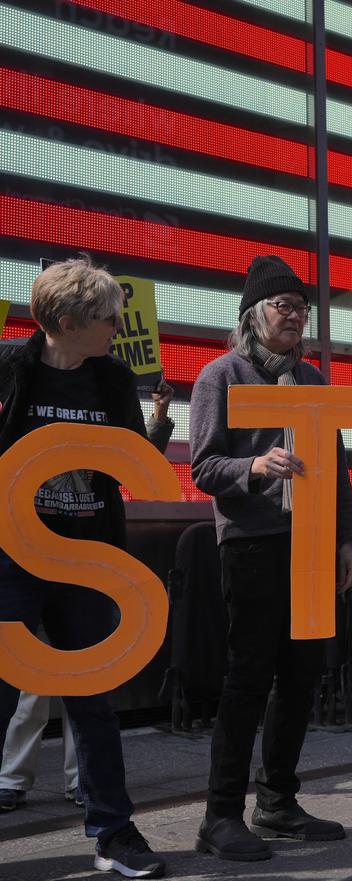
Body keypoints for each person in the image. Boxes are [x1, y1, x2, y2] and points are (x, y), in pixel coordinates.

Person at [189, 255, 352, 860]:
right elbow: (204, 468)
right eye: (283, 306)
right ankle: (219, 815)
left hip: (313, 545)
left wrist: (347, 539)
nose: (294, 317)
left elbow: (337, 469)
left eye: (301, 309)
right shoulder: (222, 376)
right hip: (253, 544)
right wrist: (255, 468)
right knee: (247, 678)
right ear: (252, 314)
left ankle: (278, 803)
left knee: (300, 679)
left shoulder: (313, 381)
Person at [0, 256, 165, 877]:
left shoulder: (113, 378)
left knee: (93, 695)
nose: (116, 329)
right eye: (107, 319)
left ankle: (114, 834)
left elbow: (128, 464)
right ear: (67, 321)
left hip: (87, 556)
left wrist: (153, 432)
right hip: (14, 552)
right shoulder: (10, 367)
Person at [0, 381, 174, 813]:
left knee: (84, 681)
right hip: (31, 553)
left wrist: (158, 418)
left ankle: (73, 781)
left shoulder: (105, 391)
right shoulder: (24, 392)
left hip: (84, 557)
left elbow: (134, 459)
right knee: (33, 681)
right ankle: (15, 777)